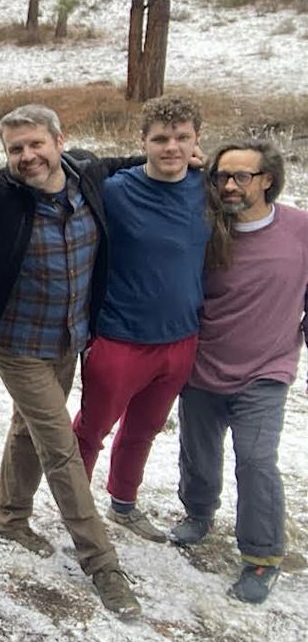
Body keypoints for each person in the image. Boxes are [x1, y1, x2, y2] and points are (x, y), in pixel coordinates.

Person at [0, 104, 141, 619]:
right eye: (16, 149)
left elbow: (125, 163)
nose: (27, 156)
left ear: (59, 141)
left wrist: (181, 160)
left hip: (69, 337)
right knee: (60, 446)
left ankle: (9, 517)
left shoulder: (87, 175)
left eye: (36, 144)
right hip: (17, 344)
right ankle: (102, 563)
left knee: (27, 428)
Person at [171, 139, 308, 604]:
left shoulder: (299, 229)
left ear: (267, 179)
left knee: (255, 459)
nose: (229, 186)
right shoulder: (205, 231)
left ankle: (262, 555)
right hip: (202, 364)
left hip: (266, 370)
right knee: (199, 451)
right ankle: (198, 513)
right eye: (221, 177)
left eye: (241, 176)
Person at [73, 96, 209, 539]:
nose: (172, 147)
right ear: (143, 141)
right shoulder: (114, 191)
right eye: (161, 138)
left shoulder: (207, 188)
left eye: (182, 137)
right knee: (91, 430)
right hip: (120, 337)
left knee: (144, 430)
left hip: (181, 337)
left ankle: (124, 503)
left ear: (197, 140)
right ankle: (75, 514)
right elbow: (65, 174)